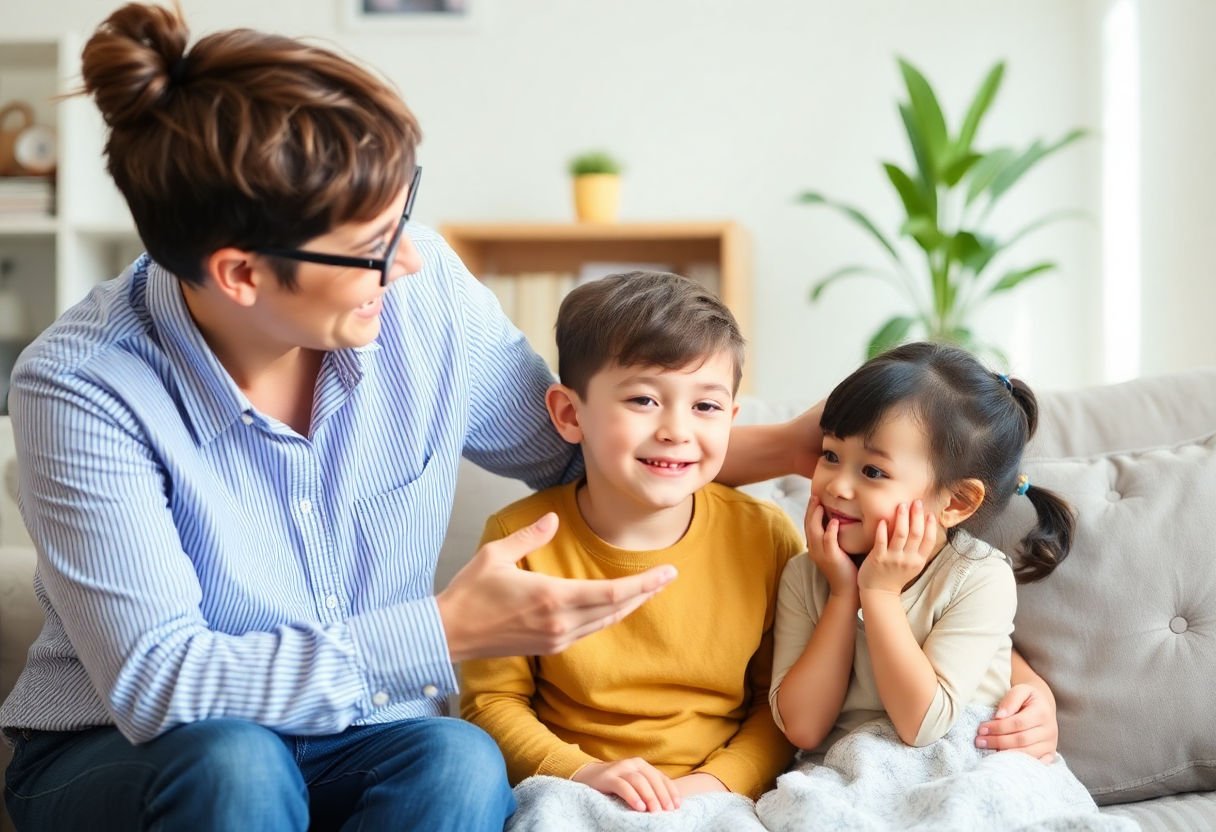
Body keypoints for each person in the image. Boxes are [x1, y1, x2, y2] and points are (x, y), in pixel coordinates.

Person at [0, 6, 822, 831]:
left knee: (456, 759)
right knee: (237, 762)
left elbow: (584, 452)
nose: (411, 259)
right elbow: (159, 683)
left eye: (403, 214)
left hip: (361, 734)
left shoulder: (423, 302)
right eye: (371, 246)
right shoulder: (82, 387)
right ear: (241, 273)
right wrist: (441, 628)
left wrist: (790, 445)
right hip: (131, 752)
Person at [461, 271, 804, 817]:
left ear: (731, 419)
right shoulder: (519, 540)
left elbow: (779, 703)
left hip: (718, 795)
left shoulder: (767, 535)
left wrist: (718, 784)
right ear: (571, 414)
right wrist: (583, 773)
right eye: (644, 400)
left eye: (706, 407)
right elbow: (492, 703)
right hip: (568, 790)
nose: (676, 429)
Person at [761, 342, 1103, 830]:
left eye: (873, 471)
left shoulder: (978, 577)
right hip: (853, 773)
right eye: (830, 454)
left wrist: (878, 595)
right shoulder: (806, 574)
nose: (836, 485)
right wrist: (843, 593)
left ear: (957, 502)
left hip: (962, 761)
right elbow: (803, 726)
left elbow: (921, 724)